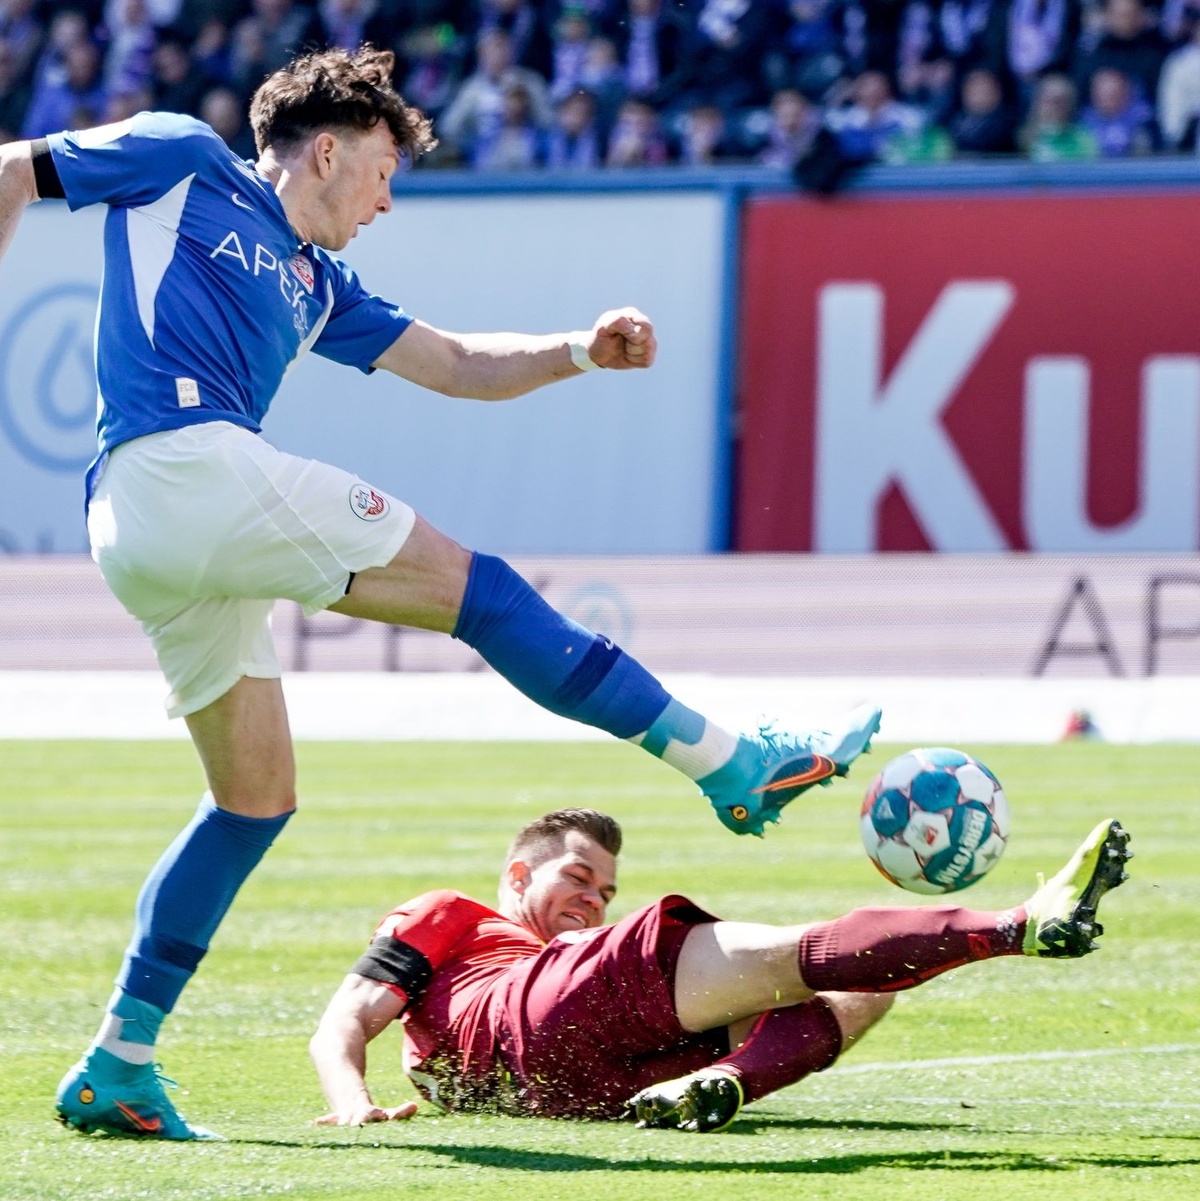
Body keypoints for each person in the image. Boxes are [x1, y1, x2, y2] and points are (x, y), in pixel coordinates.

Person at [0, 44, 882, 1140]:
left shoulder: (317, 282)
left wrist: (577, 349)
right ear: (325, 149)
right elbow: (11, 171)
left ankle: (119, 1061)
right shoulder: (180, 156)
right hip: (179, 464)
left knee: (253, 801)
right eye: (379, 175)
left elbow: (459, 362)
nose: (383, 203)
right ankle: (732, 764)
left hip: (156, 525)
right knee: (490, 593)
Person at [310, 808, 1132, 1131]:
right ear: (518, 876)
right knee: (794, 957)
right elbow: (345, 1020)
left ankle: (728, 1081)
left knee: (847, 992)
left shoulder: (557, 941)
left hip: (570, 1093)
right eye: (577, 878)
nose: (595, 900)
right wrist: (353, 1105)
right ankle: (1020, 924)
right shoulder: (453, 911)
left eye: (606, 891)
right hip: (539, 1007)